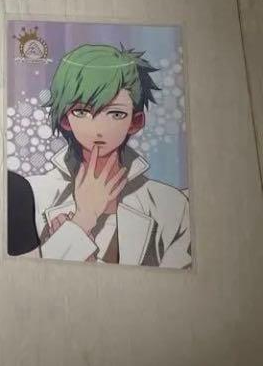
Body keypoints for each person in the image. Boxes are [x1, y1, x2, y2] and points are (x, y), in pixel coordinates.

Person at [21, 43, 191, 267]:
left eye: (116, 113)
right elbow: (25, 276)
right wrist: (83, 219)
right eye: (82, 112)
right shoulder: (33, 194)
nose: (98, 128)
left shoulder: (171, 205)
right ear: (65, 119)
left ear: (136, 121)